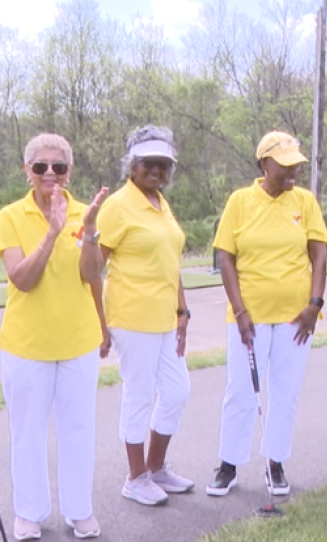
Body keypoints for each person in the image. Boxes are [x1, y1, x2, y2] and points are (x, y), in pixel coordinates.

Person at [0, 133, 107, 540]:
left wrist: (89, 231)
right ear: (27, 170)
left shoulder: (85, 212)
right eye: (40, 166)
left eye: (58, 167)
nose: (49, 174)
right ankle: (30, 512)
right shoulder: (11, 216)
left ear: (69, 170)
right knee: (28, 432)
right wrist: (51, 233)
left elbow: (91, 274)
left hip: (77, 341)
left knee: (78, 430)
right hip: (27, 345)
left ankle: (79, 510)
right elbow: (22, 279)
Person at [207, 131, 327, 497]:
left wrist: (315, 304)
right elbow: (226, 258)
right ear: (264, 164)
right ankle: (229, 464)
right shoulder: (240, 201)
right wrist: (240, 311)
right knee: (241, 391)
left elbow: (319, 255)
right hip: (249, 317)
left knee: (285, 391)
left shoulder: (305, 201)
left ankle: (275, 462)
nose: (293, 171)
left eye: (296, 165)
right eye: (285, 164)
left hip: (297, 317)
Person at [97, 126, 194, 507]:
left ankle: (155, 467)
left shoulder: (160, 204)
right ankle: (135, 477)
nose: (157, 170)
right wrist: (99, 323)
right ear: (132, 165)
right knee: (138, 395)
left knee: (177, 391)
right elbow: (92, 267)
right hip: (131, 315)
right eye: (149, 163)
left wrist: (182, 308)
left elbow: (171, 262)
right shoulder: (118, 205)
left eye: (163, 164)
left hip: (165, 316)